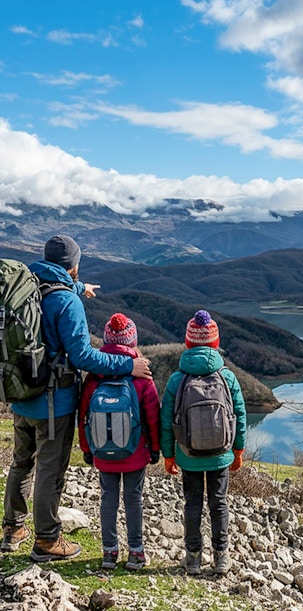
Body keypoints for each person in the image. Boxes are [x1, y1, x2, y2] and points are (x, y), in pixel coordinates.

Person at [1, 235, 152, 562]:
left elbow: (54, 288)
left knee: (21, 462)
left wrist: (80, 286)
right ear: (74, 265)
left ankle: (12, 529)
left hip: (20, 394)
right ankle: (47, 541)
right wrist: (129, 365)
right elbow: (83, 357)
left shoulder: (28, 286)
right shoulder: (66, 303)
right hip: (54, 402)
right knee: (50, 470)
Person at [160, 309, 247, 576]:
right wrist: (238, 449)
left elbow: (166, 420)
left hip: (188, 454)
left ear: (188, 343)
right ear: (215, 344)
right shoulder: (226, 376)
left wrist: (168, 455)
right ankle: (221, 557)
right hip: (221, 453)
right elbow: (239, 414)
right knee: (219, 503)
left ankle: (193, 557)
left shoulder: (178, 379)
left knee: (192, 503)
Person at [78, 312, 160, 570]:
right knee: (133, 499)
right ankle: (136, 553)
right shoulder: (142, 375)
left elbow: (84, 417)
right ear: (133, 341)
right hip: (135, 452)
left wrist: (87, 449)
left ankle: (109, 552)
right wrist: (155, 449)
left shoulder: (94, 377)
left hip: (103, 451)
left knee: (108, 499)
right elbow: (153, 417)